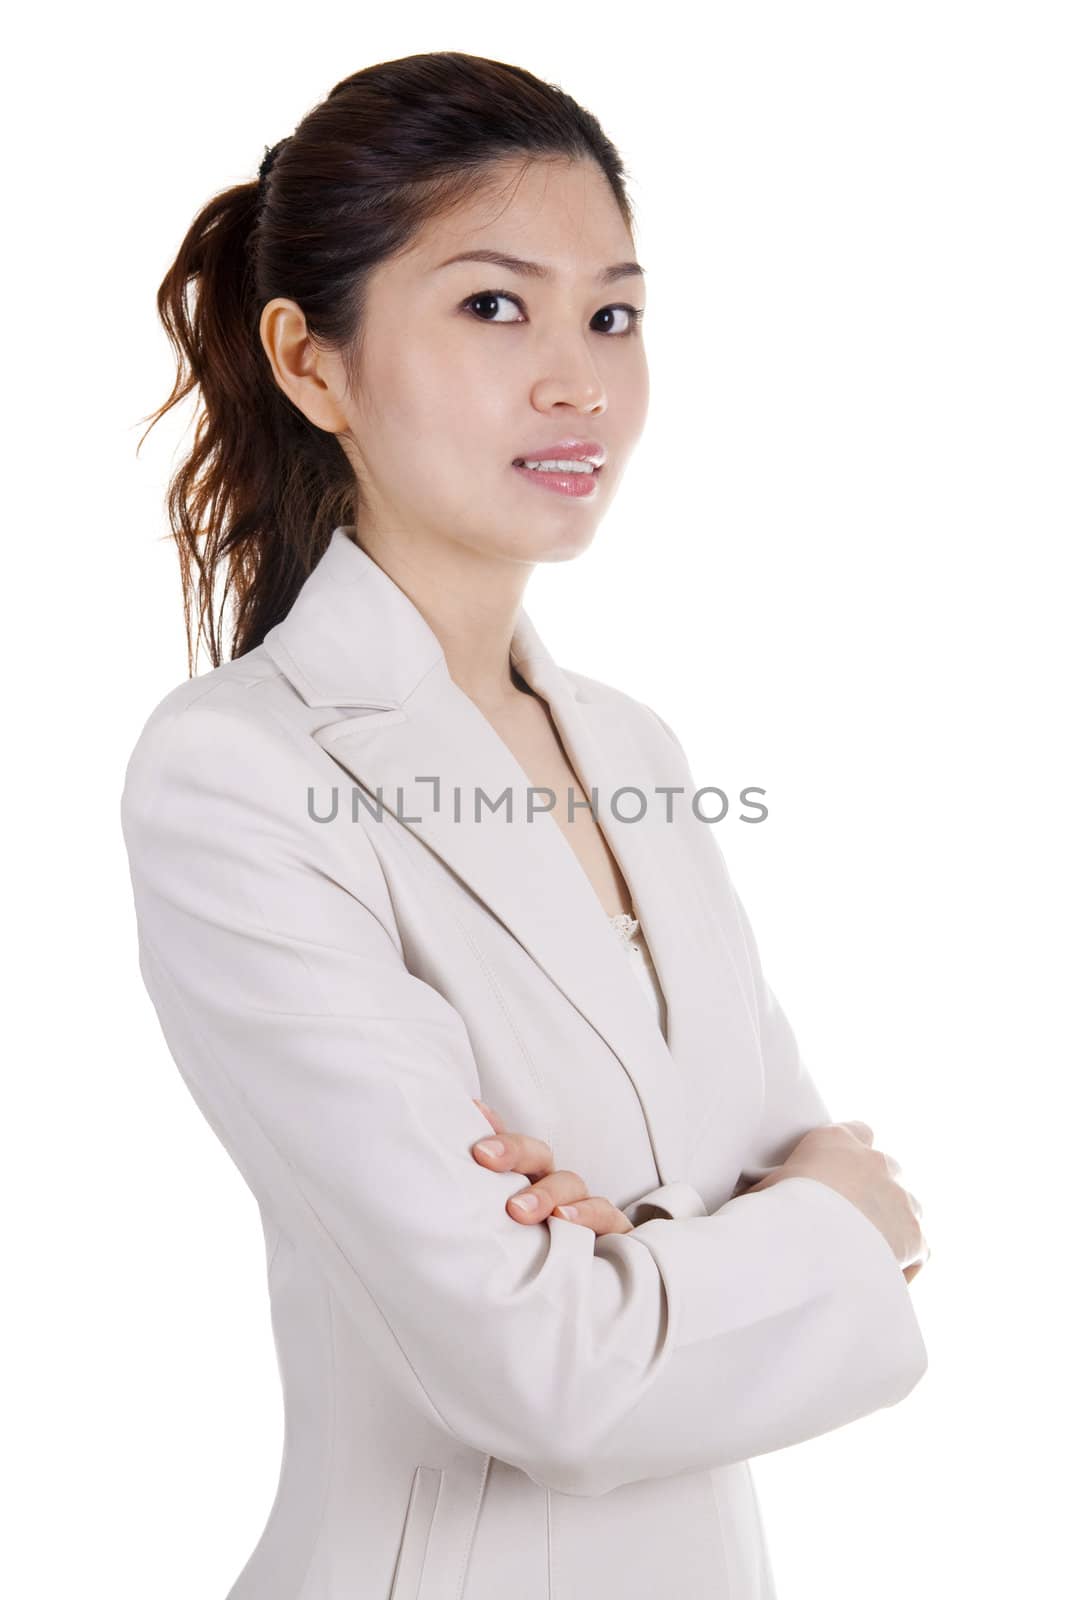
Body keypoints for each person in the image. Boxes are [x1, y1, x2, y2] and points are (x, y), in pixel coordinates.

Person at [121, 50, 930, 1600]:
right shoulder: (235, 773)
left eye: (612, 314)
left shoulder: (633, 746)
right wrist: (810, 1225)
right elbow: (547, 1375)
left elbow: (815, 1199)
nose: (581, 382)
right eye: (495, 306)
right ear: (313, 364)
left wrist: (636, 1242)